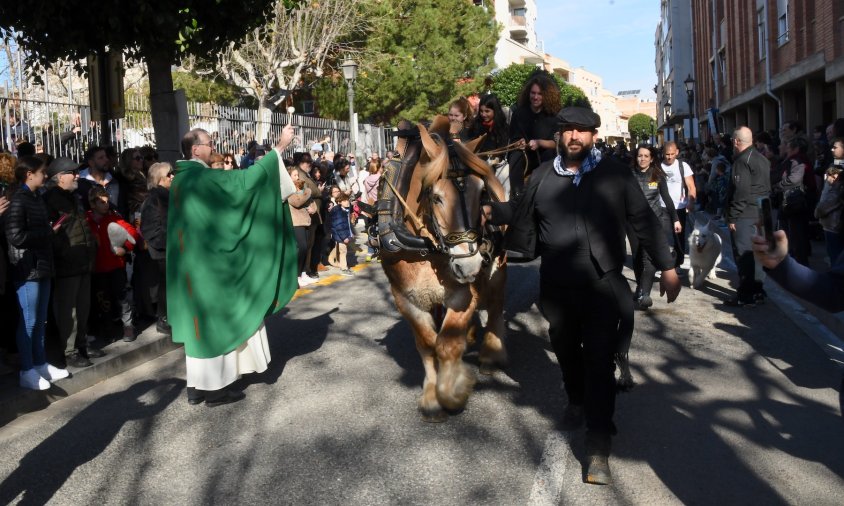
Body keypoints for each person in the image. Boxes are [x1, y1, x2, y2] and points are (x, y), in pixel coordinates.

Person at [485, 107, 681, 485]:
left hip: (603, 284)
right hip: (556, 286)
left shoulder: (615, 174)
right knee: (564, 348)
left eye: (582, 131)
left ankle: (598, 443)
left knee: (599, 360)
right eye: (567, 130)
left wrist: (668, 266)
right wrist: (490, 210)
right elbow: (518, 210)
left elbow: (643, 220)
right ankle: (575, 398)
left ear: (594, 135)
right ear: (559, 136)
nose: (574, 136)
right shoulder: (542, 176)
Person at [168, 126, 298, 407]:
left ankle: (196, 386)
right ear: (195, 149)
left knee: (198, 326)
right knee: (217, 323)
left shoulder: (182, 179)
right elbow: (243, 184)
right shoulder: (200, 178)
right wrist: (279, 149)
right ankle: (216, 390)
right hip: (211, 268)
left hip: (191, 267)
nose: (212, 146)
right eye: (208, 142)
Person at [4, 156, 70, 390]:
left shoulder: (36, 198)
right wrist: (48, 233)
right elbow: (15, 236)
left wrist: (49, 231)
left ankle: (40, 364)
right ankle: (27, 369)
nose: (45, 176)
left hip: (42, 264)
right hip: (26, 267)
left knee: (40, 320)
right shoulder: (19, 199)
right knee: (29, 321)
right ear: (29, 173)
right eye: (42, 172)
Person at [42, 158, 100, 368]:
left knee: (84, 307)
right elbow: (52, 233)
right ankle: (69, 350)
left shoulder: (73, 196)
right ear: (59, 177)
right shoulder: (49, 199)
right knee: (69, 310)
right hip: (67, 263)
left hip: (83, 259)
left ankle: (82, 344)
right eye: (72, 172)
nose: (77, 176)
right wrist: (64, 253)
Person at [86, 186, 140, 342]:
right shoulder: (86, 220)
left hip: (116, 266)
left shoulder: (114, 218)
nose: (106, 205)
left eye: (107, 201)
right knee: (103, 301)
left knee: (122, 297)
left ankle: (128, 327)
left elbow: (132, 234)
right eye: (102, 202)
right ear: (92, 204)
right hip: (97, 269)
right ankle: (107, 329)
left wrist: (125, 248)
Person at [725, 126, 772, 307]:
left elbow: (741, 191)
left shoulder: (742, 160)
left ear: (736, 142)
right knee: (760, 254)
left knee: (744, 256)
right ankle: (758, 291)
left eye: (733, 141)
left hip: (747, 213)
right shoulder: (762, 158)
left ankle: (746, 295)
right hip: (763, 210)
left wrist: (733, 217)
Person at [629, 145, 680, 310]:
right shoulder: (628, 175)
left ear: (651, 159)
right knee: (637, 257)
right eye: (639, 156)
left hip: (653, 222)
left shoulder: (657, 175)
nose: (642, 159)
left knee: (649, 258)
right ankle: (640, 286)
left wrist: (675, 219)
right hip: (633, 223)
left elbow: (667, 199)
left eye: (646, 156)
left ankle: (645, 293)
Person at [507, 71, 561, 198]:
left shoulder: (553, 116)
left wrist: (539, 143)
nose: (535, 97)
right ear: (528, 93)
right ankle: (516, 195)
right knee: (515, 155)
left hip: (544, 155)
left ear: (546, 96)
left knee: (549, 156)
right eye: (533, 93)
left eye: (540, 94)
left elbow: (556, 143)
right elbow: (513, 137)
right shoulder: (519, 114)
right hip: (523, 155)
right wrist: (518, 143)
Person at [140, 162, 174, 335]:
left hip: (172, 250)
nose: (172, 177)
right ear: (161, 179)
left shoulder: (169, 196)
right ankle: (164, 318)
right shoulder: (154, 199)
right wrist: (167, 244)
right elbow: (150, 229)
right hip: (163, 251)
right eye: (169, 174)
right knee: (165, 287)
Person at [773, 136, 815, 266]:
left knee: (797, 236)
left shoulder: (798, 160)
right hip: (791, 202)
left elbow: (794, 179)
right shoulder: (791, 160)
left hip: (795, 202)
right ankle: (795, 261)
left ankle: (800, 265)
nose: (782, 147)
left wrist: (778, 186)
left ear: (794, 148)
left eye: (786, 146)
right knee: (794, 235)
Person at [660, 141, 697, 264]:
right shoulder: (658, 167)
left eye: (672, 154)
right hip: (663, 207)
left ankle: (678, 264)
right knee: (664, 237)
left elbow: (691, 186)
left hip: (680, 207)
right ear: (663, 153)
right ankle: (665, 265)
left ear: (677, 152)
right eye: (667, 154)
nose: (669, 157)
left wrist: (691, 202)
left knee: (679, 237)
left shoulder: (683, 166)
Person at [286, 166, 317, 287]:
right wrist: (308, 192)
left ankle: (304, 273)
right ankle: (296, 275)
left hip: (306, 220)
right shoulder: (289, 188)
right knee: (302, 247)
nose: (297, 177)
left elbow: (312, 202)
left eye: (297, 175)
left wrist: (313, 209)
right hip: (296, 221)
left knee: (307, 247)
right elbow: (296, 201)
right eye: (294, 175)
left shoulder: (303, 188)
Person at [328, 191, 355, 276]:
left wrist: (351, 233)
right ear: (339, 202)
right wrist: (344, 237)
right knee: (343, 251)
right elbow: (339, 226)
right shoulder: (337, 211)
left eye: (347, 200)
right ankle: (344, 268)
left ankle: (331, 259)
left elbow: (348, 223)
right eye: (344, 201)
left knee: (339, 248)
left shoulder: (346, 209)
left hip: (344, 234)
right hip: (340, 235)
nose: (347, 202)